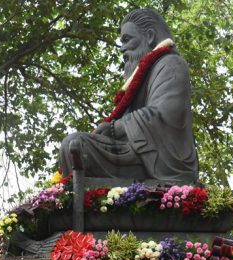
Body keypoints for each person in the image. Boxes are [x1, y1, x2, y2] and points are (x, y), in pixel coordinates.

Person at [58, 8, 198, 183]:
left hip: (158, 157)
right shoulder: (138, 77)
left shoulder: (171, 64)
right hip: (133, 150)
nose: (122, 47)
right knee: (74, 145)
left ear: (149, 36)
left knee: (77, 143)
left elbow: (165, 114)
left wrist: (113, 129)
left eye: (127, 39)